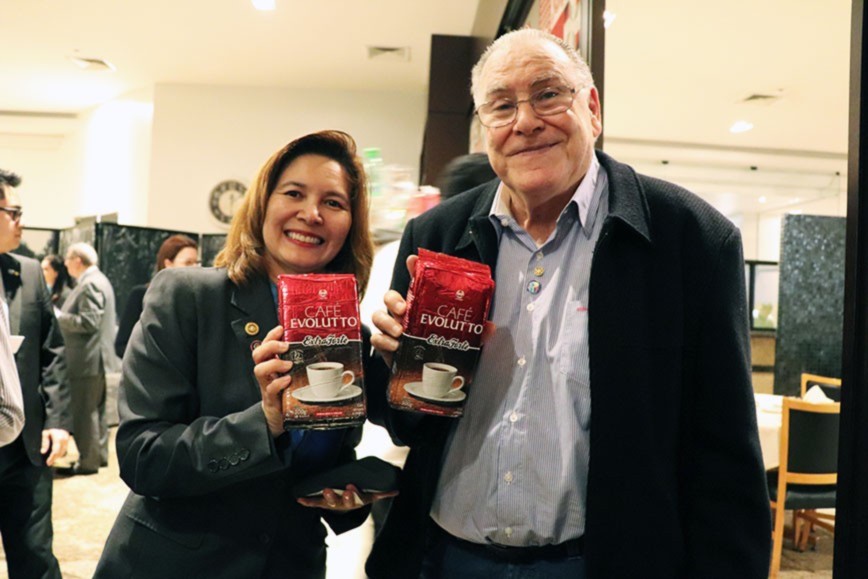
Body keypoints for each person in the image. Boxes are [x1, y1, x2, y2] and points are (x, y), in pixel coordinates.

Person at [366, 29, 771, 579]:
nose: (525, 121)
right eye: (502, 106)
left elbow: (725, 453)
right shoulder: (436, 235)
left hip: (602, 564)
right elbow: (407, 425)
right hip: (446, 557)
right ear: (484, 127)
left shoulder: (691, 240)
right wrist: (399, 370)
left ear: (592, 108)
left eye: (548, 94)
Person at [94, 130, 395, 579]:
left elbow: (327, 461)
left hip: (290, 565)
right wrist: (266, 421)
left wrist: (343, 497)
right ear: (262, 205)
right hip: (175, 565)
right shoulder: (188, 297)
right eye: (294, 193)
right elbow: (144, 458)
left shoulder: (349, 334)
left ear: (351, 223)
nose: (311, 213)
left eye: (333, 202)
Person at [0, 169, 71, 578]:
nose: (21, 221)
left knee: (36, 557)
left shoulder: (27, 273)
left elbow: (52, 351)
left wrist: (58, 420)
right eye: (14, 212)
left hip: (26, 449)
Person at [55, 242, 119, 476]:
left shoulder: (89, 283)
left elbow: (89, 322)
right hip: (97, 358)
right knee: (96, 411)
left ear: (77, 260)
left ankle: (88, 462)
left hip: (86, 359)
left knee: (85, 412)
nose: (65, 263)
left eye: (67, 259)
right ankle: (98, 457)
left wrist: (59, 317)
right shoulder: (101, 280)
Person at [114, 234, 199, 358]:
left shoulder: (196, 300)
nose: (196, 268)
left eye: (197, 262)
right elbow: (122, 345)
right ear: (168, 264)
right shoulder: (141, 295)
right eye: (188, 263)